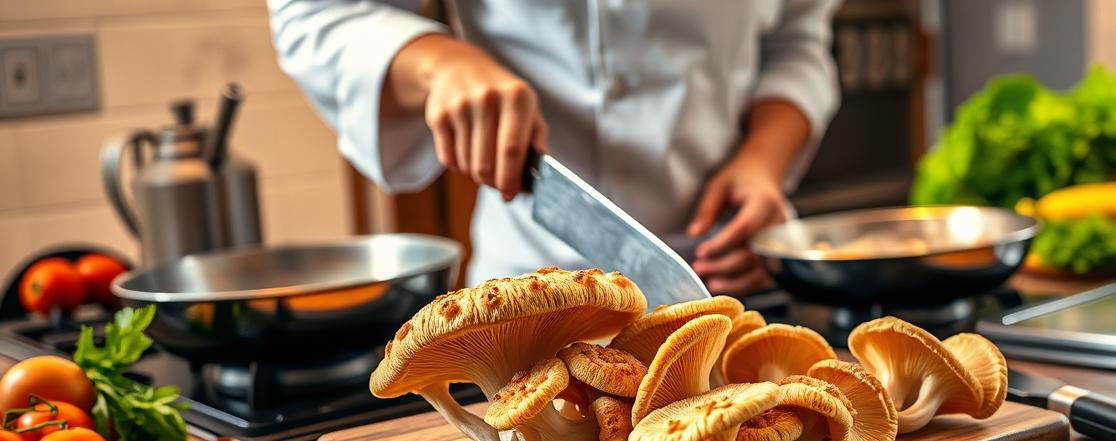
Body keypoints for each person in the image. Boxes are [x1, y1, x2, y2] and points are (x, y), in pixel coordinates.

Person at [269, 0, 839, 295]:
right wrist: (440, 62)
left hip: (721, 266)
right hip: (529, 279)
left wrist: (764, 160)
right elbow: (319, 13)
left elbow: (799, 42)